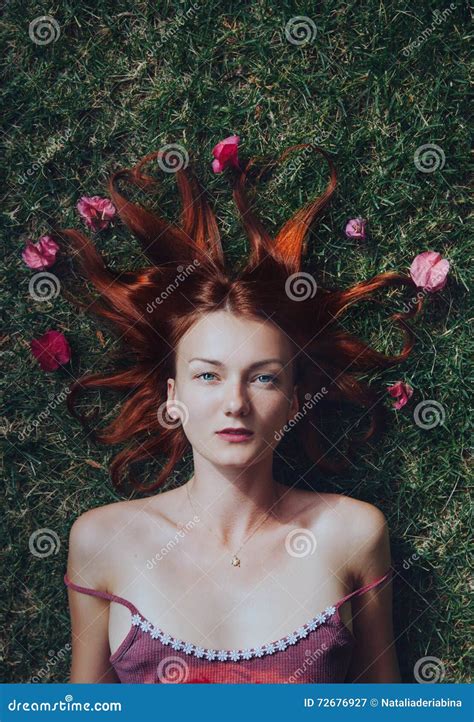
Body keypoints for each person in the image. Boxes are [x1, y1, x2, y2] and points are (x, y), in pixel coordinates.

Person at [58, 142, 421, 683]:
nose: (235, 402)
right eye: (208, 375)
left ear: (294, 403)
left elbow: (386, 709)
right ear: (173, 398)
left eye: (264, 377)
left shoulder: (352, 533)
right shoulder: (102, 540)